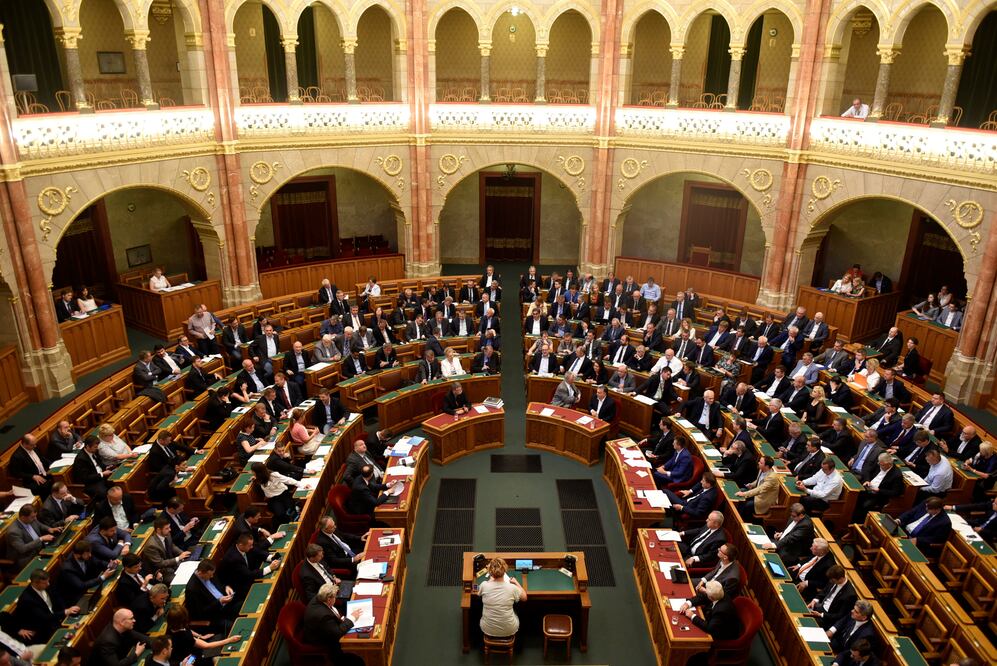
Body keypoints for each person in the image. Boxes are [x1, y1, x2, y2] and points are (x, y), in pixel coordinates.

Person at [302, 583, 364, 664]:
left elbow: (332, 612)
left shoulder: (319, 597)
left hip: (322, 627)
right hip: (320, 639)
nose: (336, 598)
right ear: (329, 600)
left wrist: (342, 619)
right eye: (335, 597)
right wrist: (352, 618)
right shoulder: (324, 616)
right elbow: (337, 633)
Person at [12, 569, 77, 645]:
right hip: (43, 627)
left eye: (48, 581)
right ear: (35, 583)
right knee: (71, 638)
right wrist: (65, 612)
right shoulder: (27, 599)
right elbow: (44, 617)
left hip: (55, 617)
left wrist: (66, 610)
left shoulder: (46, 586)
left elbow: (58, 598)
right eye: (45, 583)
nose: (48, 584)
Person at [478, 558, 526, 640]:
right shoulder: (512, 588)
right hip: (509, 629)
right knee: (515, 611)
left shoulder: (484, 585)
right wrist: (516, 582)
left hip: (487, 628)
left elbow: (478, 594)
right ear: (505, 570)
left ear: (490, 572)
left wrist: (491, 578)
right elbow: (524, 598)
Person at [7, 504, 59, 570]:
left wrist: (49, 529)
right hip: (27, 557)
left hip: (40, 549)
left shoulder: (31, 520)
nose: (35, 519)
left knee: (58, 555)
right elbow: (22, 549)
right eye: (33, 517)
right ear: (23, 517)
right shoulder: (13, 532)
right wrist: (41, 539)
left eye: (35, 516)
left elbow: (39, 525)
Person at [142, 517, 190, 584]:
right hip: (162, 571)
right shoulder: (151, 545)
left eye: (169, 527)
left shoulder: (167, 534)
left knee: (190, 570)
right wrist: (178, 558)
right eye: (167, 528)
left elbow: (172, 546)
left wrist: (182, 553)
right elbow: (160, 563)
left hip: (172, 564)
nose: (170, 530)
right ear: (158, 530)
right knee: (183, 581)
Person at [809, 565, 857, 630]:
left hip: (827, 617)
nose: (831, 581)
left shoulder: (850, 595)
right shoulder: (833, 580)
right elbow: (824, 591)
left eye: (833, 581)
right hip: (819, 607)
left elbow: (840, 615)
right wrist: (815, 600)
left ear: (841, 579)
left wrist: (821, 615)